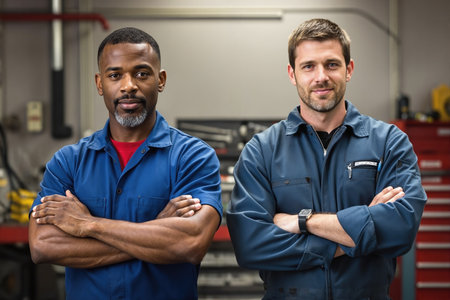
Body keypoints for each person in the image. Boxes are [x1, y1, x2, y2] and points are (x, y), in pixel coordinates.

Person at [226, 18, 426, 299]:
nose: (321, 76)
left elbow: (400, 228)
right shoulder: (262, 150)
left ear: (349, 70)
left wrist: (303, 222)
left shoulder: (389, 142)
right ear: (292, 74)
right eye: (308, 66)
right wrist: (360, 230)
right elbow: (250, 245)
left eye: (332, 64)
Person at [29, 27, 222, 299]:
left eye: (142, 73)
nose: (128, 85)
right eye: (115, 75)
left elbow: (190, 243)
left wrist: (88, 225)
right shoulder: (68, 162)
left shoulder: (192, 156)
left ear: (161, 79)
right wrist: (155, 232)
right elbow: (43, 245)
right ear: (99, 83)